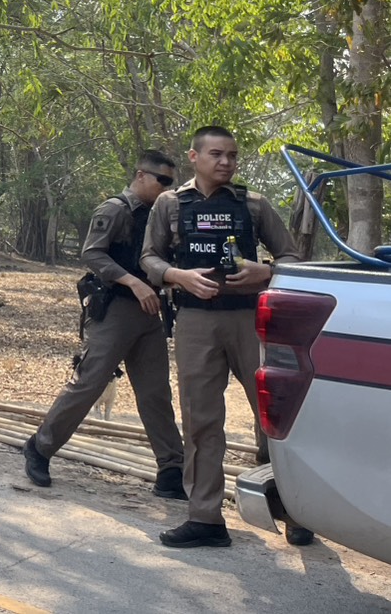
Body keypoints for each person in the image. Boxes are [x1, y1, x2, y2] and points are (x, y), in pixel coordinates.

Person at [141, 126, 307, 549]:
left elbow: (291, 256)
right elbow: (149, 257)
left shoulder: (254, 204)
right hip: (196, 321)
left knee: (273, 419)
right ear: (194, 157)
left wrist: (267, 272)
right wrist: (176, 275)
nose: (226, 162)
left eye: (232, 155)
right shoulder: (170, 204)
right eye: (216, 154)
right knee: (201, 420)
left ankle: (296, 511)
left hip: (251, 320)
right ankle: (205, 518)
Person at [23, 150, 186, 497]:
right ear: (141, 175)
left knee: (156, 393)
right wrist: (133, 281)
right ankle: (40, 447)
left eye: (171, 183)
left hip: (150, 312)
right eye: (162, 180)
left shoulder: (159, 215)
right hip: (116, 309)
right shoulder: (115, 209)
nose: (167, 188)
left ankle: (172, 469)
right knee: (89, 384)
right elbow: (92, 253)